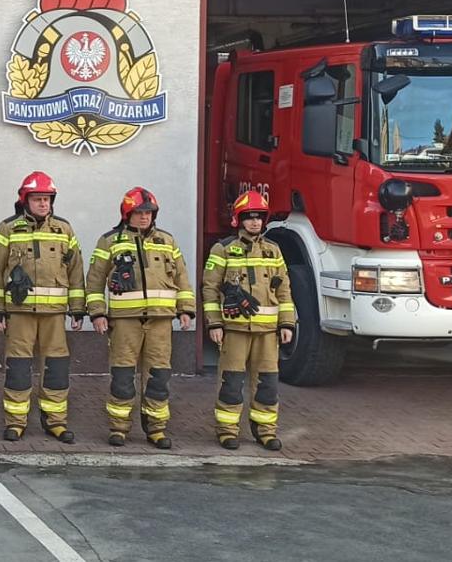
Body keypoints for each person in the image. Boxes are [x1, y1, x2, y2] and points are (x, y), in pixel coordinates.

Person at [85, 187, 196, 449]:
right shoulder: (109, 241)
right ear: (127, 213)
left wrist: (186, 309)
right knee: (123, 376)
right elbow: (94, 281)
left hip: (160, 321)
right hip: (125, 321)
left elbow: (182, 278)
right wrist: (97, 313)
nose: (144, 217)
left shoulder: (167, 241)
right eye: (139, 212)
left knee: (158, 376)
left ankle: (156, 429)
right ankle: (118, 428)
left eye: (148, 212)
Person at [0, 171, 87, 443]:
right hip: (20, 314)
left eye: (47, 199)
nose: (43, 204)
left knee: (56, 369)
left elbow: (76, 270)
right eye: (38, 199)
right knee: (18, 368)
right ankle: (15, 422)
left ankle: (55, 422)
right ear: (25, 200)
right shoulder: (7, 228)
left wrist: (78, 308)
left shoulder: (64, 229)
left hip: (54, 315)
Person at [202, 190, 296, 451]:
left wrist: (287, 323)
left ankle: (265, 431)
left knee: (267, 384)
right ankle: (227, 430)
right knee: (231, 382)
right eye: (249, 217)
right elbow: (210, 288)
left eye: (259, 218)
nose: (255, 222)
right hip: (234, 329)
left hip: (268, 332)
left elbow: (284, 290)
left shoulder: (274, 250)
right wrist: (215, 323)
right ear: (238, 219)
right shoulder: (223, 249)